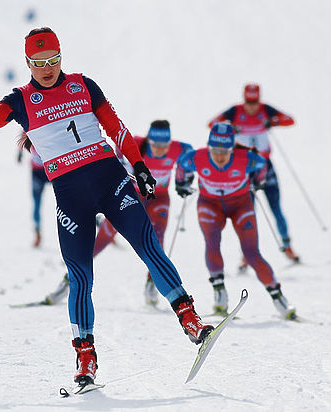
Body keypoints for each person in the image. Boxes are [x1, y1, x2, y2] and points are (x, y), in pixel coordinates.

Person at [0, 27, 214, 386]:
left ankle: (190, 319)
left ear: (61, 57)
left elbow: (116, 128)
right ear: (28, 62)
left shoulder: (83, 85)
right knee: (81, 277)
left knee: (149, 246)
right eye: (39, 62)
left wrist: (139, 166)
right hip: (71, 197)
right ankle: (85, 357)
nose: (47, 68)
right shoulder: (20, 100)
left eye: (53, 60)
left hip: (110, 179)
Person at [175, 122, 296, 319]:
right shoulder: (198, 157)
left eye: (226, 151)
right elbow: (181, 165)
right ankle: (220, 295)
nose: (220, 156)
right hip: (209, 204)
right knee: (212, 244)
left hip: (241, 205)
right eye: (215, 150)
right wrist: (181, 183)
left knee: (251, 254)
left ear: (233, 149)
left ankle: (279, 297)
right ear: (209, 147)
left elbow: (262, 164)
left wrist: (259, 180)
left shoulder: (246, 158)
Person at [92, 120, 193, 306]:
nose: (160, 150)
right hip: (132, 195)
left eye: (164, 146)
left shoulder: (178, 149)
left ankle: (151, 283)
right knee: (106, 235)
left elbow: (191, 155)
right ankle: (70, 278)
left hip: (159, 198)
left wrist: (184, 179)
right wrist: (119, 166)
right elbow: (118, 147)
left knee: (158, 238)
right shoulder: (137, 144)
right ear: (149, 141)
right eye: (156, 145)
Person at [208, 84, 298, 264]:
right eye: (249, 102)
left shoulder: (266, 109)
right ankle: (247, 253)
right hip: (245, 168)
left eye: (254, 101)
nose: (252, 106)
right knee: (249, 213)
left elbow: (290, 120)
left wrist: (273, 122)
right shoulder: (235, 111)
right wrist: (231, 126)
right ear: (244, 99)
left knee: (276, 209)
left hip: (266, 165)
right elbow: (212, 124)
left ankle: (287, 245)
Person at [17, 133, 50, 247]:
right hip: (37, 173)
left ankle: (94, 223)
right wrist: (19, 153)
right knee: (36, 204)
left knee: (69, 200)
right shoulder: (29, 125)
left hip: (52, 170)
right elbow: (22, 137)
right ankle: (37, 233)